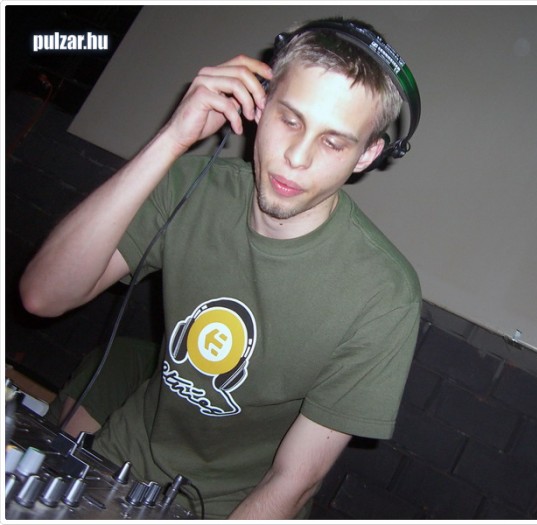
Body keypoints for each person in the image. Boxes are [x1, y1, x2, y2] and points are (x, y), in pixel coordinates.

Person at [19, 17, 421, 519]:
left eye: (333, 142)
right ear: (260, 102)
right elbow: (44, 295)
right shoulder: (193, 185)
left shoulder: (384, 295)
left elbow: (294, 481)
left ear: (368, 155)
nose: (296, 157)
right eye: (290, 119)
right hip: (119, 460)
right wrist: (172, 139)